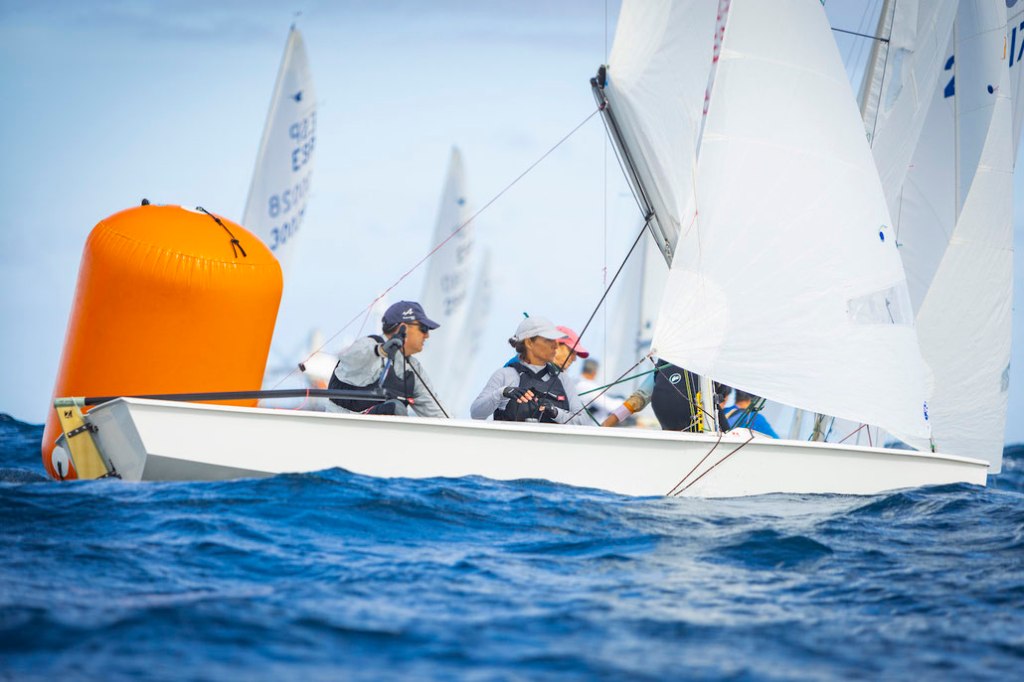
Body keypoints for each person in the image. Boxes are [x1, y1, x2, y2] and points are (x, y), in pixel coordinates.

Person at [326, 300, 448, 418]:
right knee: (395, 408)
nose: (427, 335)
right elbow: (349, 357)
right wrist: (381, 350)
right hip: (341, 430)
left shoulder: (414, 369)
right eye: (423, 329)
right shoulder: (369, 346)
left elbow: (436, 413)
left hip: (378, 434)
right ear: (403, 328)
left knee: (395, 408)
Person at [471, 316, 590, 425]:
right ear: (529, 343)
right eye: (548, 340)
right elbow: (476, 414)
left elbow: (583, 421)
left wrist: (555, 412)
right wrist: (502, 392)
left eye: (556, 341)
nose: (555, 346)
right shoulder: (505, 375)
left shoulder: (563, 379)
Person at [601, 361, 702, 431]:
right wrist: (606, 424)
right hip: (669, 437)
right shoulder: (665, 363)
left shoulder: (707, 364)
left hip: (700, 435)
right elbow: (638, 399)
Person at [575, 358, 616, 423]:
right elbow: (611, 406)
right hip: (591, 428)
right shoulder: (588, 386)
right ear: (594, 372)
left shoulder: (575, 382)